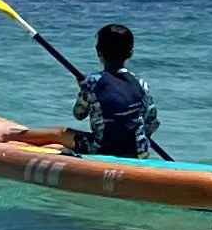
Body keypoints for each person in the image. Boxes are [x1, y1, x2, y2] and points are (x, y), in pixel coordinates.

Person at [71, 23, 167, 159]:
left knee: (60, 133)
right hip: (138, 151)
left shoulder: (92, 82)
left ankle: (29, 134)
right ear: (131, 53)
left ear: (98, 52)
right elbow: (152, 122)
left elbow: (79, 114)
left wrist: (84, 91)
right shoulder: (141, 85)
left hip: (102, 149)